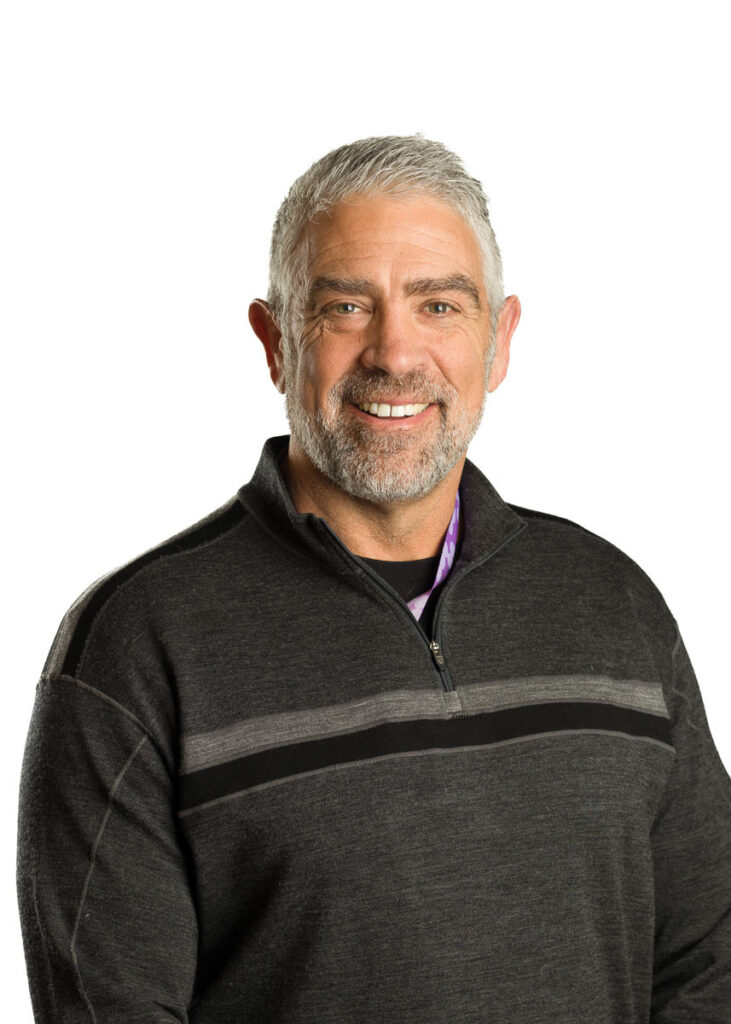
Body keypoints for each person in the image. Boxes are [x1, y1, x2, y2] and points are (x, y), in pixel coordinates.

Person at [17, 135, 731, 1023]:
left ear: (497, 341)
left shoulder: (613, 604)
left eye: (438, 305)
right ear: (276, 341)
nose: (395, 354)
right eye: (346, 306)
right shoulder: (136, 646)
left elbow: (708, 963)